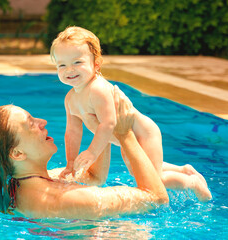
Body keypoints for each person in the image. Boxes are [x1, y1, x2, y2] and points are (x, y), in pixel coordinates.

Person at [50, 26, 211, 202]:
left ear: (96, 64)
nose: (69, 70)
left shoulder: (98, 89)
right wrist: (71, 163)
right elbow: (72, 132)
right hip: (125, 139)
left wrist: (92, 153)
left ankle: (192, 181)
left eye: (77, 62)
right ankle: (183, 170)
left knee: (154, 180)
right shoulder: (70, 99)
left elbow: (109, 124)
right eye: (62, 65)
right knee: (141, 169)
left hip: (143, 134)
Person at [0, 87, 169, 218]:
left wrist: (102, 126)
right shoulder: (69, 199)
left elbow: (94, 176)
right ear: (17, 153)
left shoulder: (16, 188)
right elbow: (157, 198)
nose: (42, 122)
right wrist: (125, 133)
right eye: (31, 123)